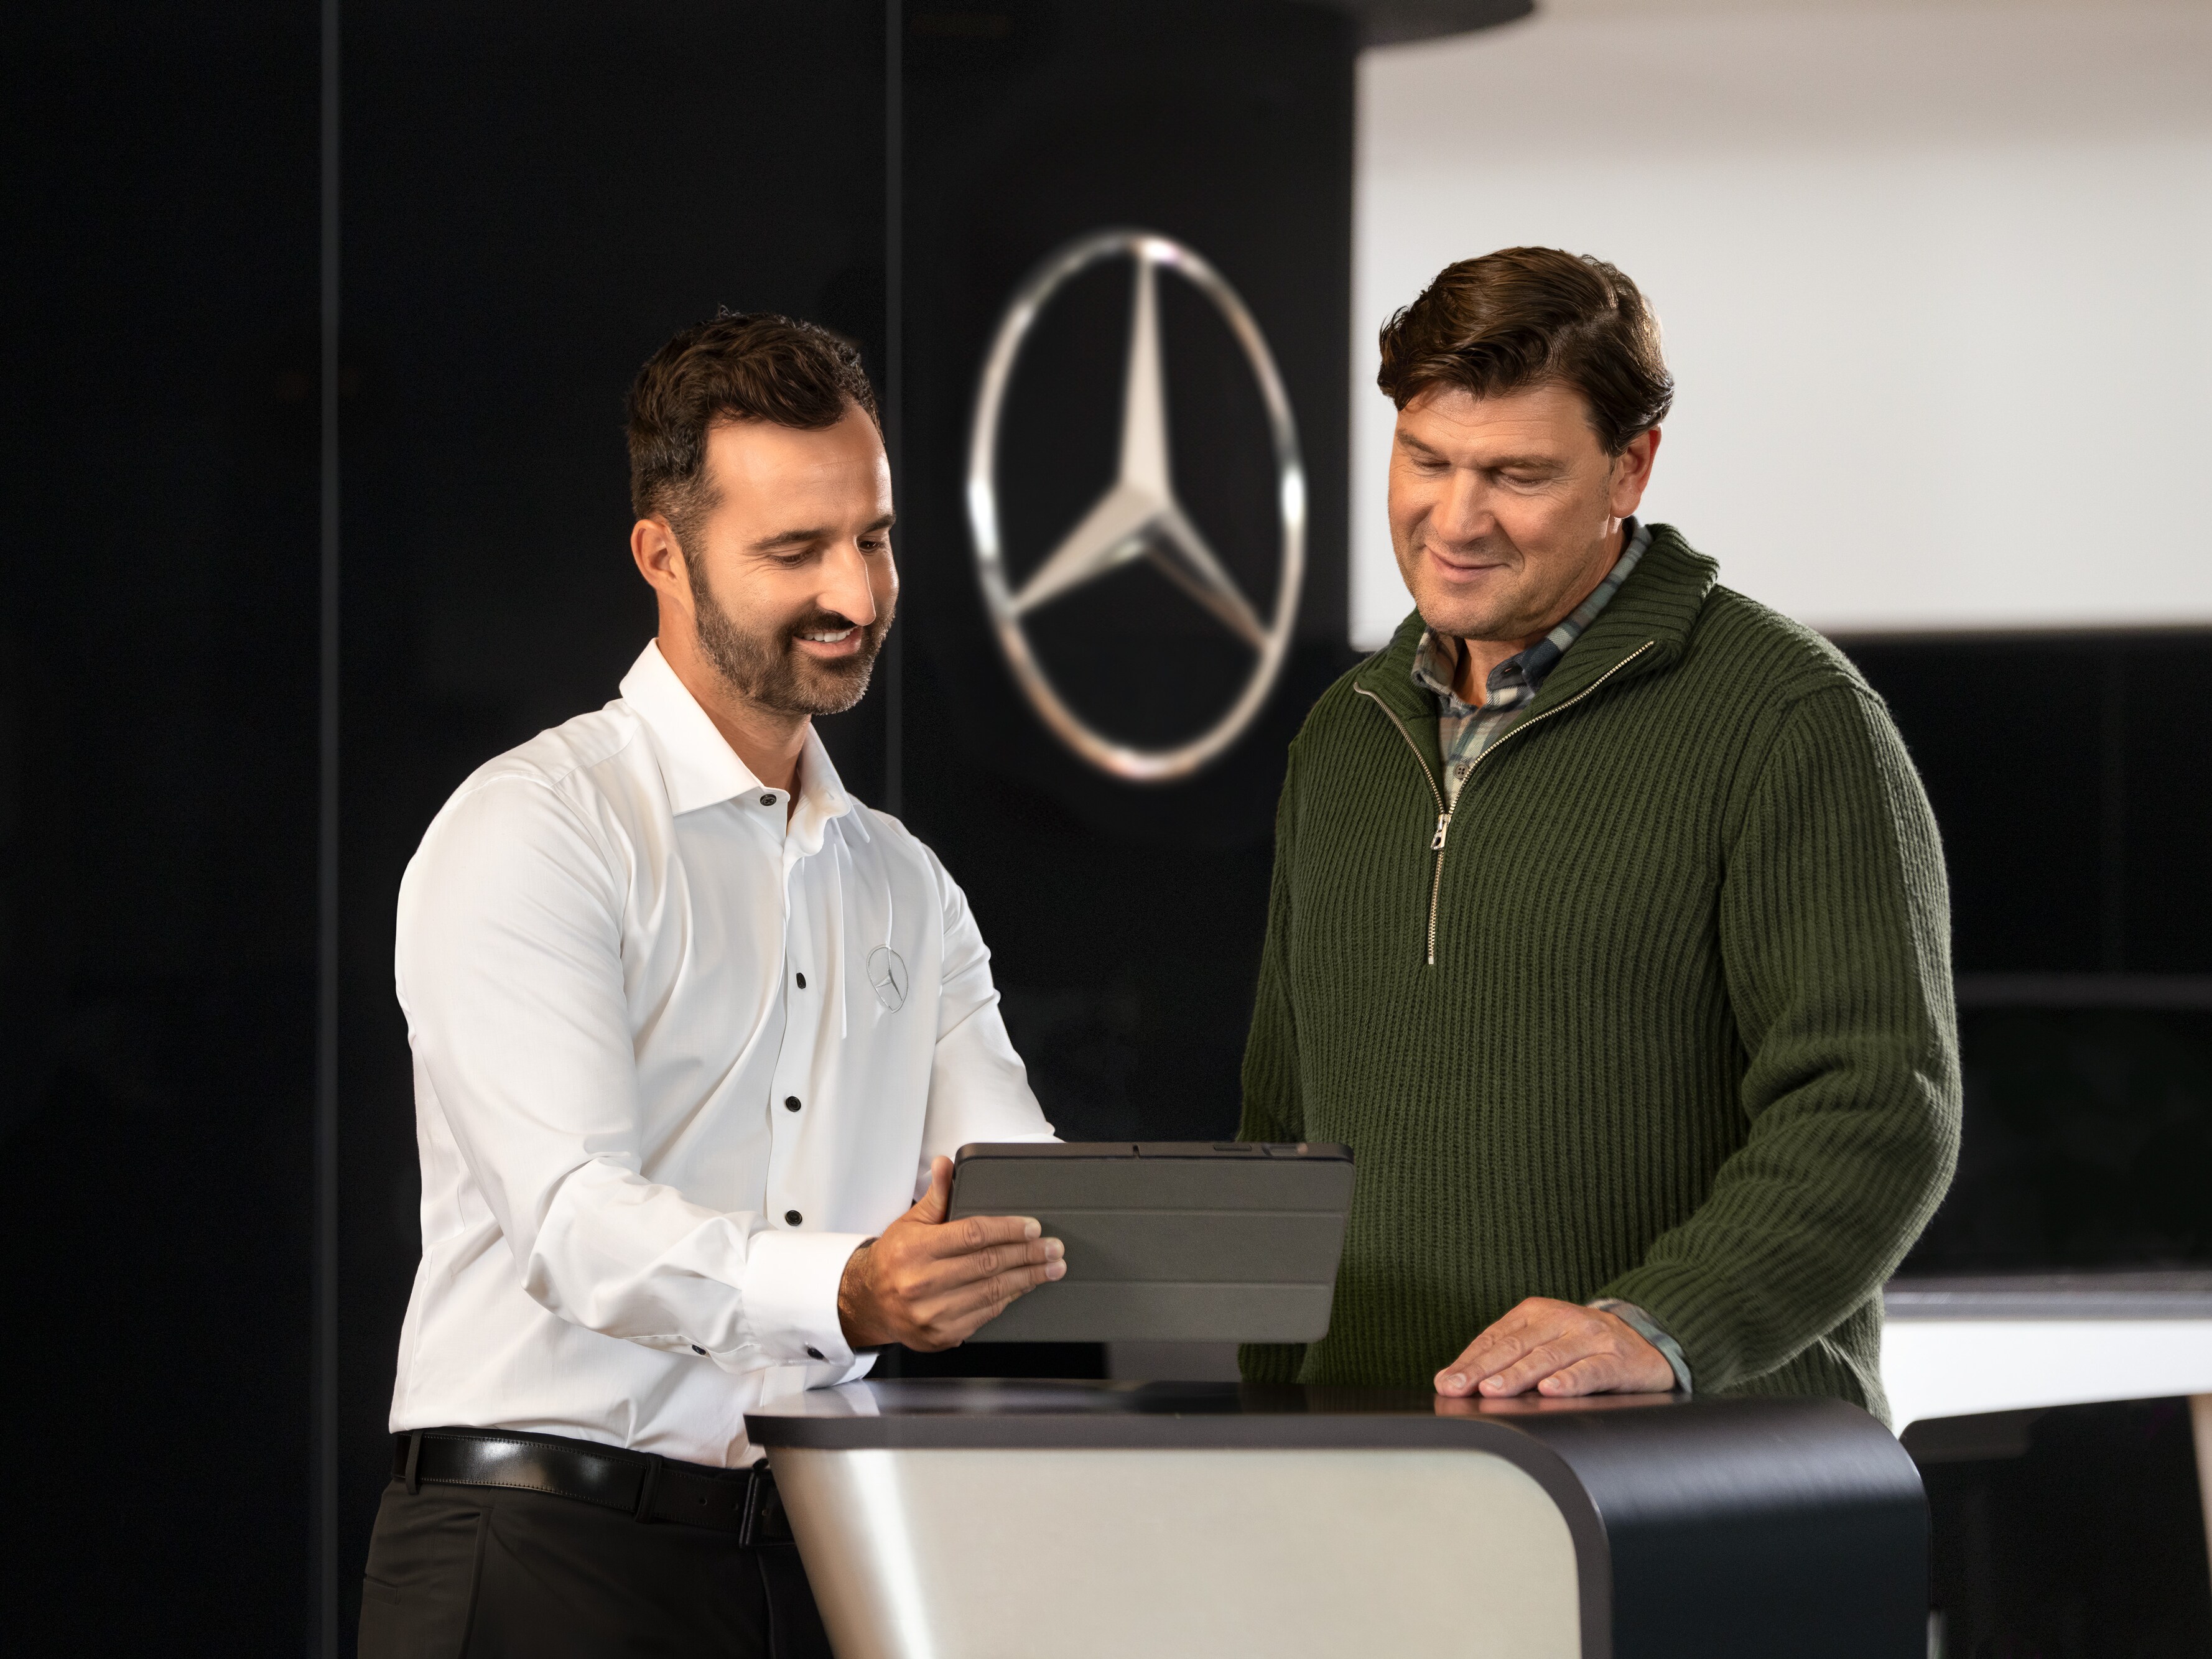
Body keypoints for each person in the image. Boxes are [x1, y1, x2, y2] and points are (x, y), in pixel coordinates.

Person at [360, 312, 1064, 1658]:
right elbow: (571, 1217)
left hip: (812, 1555)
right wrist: (851, 1288)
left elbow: (1005, 1179)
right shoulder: (535, 826)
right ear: (662, 556)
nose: (855, 593)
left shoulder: (901, 880)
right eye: (794, 551)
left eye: (872, 536)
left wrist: (1147, 1240)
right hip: (533, 1555)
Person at [1238, 248, 1959, 1417]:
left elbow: (1878, 1108)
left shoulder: (1788, 717)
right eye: (1426, 461)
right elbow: (1282, 1123)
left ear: (1632, 469)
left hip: (1695, 1479)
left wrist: (1657, 1328)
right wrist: (1264, 1422)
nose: (1455, 518)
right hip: (1374, 1476)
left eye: (1517, 475)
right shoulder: (1346, 735)